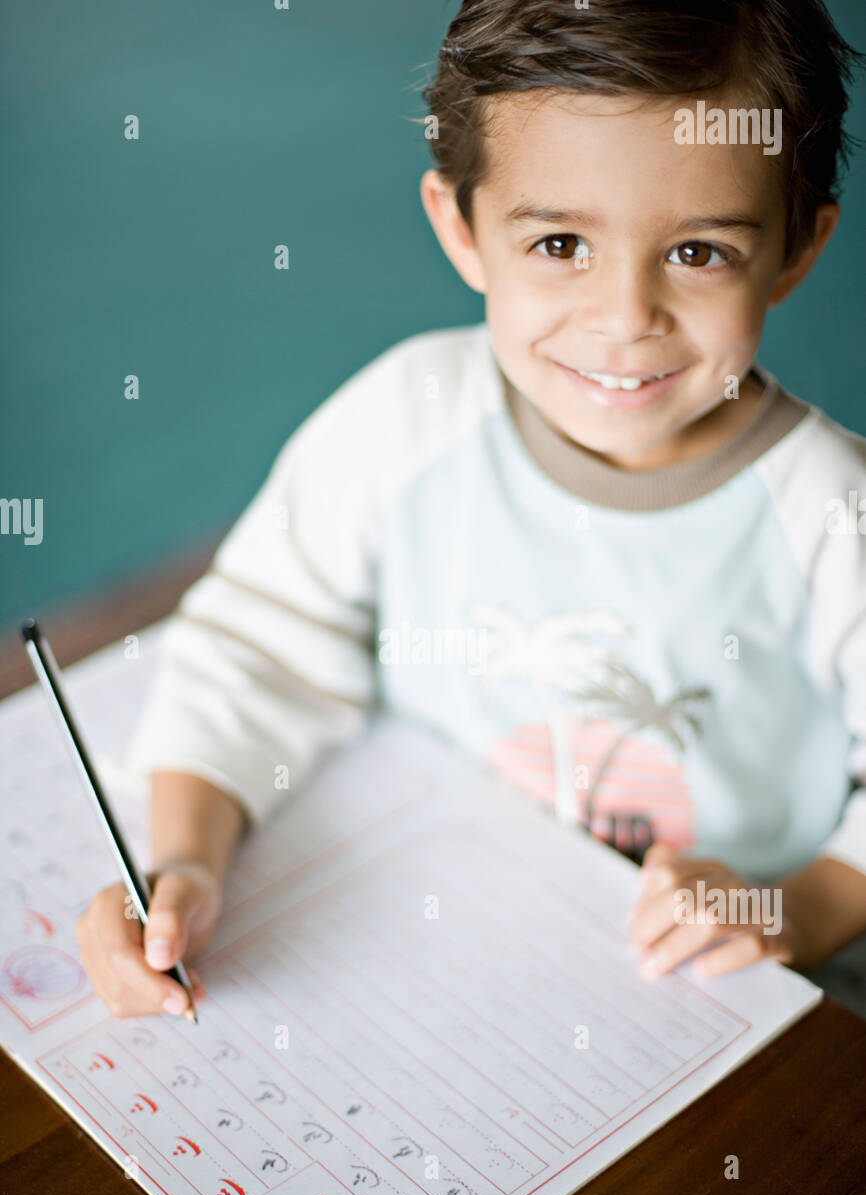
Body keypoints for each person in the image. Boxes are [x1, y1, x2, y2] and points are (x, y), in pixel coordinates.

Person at [76, 0, 866, 1017]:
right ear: (460, 228)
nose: (623, 319)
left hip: (743, 1012)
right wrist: (181, 863)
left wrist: (791, 907)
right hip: (437, 975)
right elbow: (252, 650)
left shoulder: (828, 513)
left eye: (698, 252)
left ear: (795, 250)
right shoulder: (403, 419)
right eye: (557, 245)